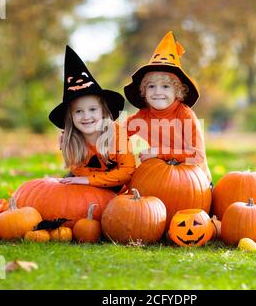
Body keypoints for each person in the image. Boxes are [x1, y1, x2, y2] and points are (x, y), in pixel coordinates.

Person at [123, 31, 212, 183]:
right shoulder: (143, 116)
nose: (157, 92)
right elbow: (117, 133)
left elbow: (197, 155)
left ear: (177, 91)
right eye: (151, 86)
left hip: (193, 180)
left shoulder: (185, 115)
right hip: (161, 178)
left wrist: (158, 152)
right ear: (143, 91)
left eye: (165, 86)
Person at [49, 45, 135, 192]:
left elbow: (127, 171)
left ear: (103, 111)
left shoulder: (117, 134)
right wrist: (86, 180)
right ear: (70, 117)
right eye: (78, 111)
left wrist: (89, 180)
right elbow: (80, 174)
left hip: (117, 193)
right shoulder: (72, 142)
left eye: (92, 109)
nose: (86, 116)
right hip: (89, 190)